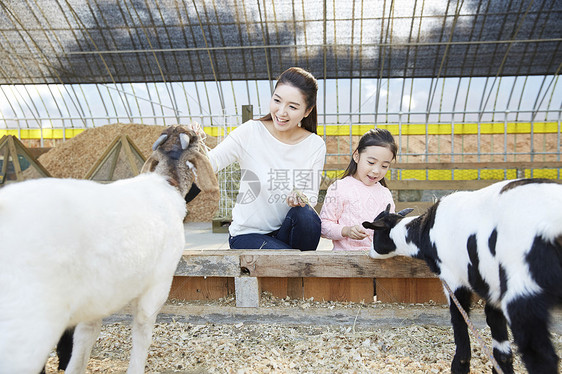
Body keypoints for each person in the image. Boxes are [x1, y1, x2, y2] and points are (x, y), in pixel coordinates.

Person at [206, 67, 326, 250]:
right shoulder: (251, 131)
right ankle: (300, 269)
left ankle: (298, 268)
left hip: (287, 230)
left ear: (307, 111)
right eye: (277, 100)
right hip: (248, 235)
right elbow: (211, 162)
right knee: (291, 261)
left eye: (292, 106)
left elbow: (310, 196)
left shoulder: (315, 145)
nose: (281, 112)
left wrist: (299, 198)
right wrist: (192, 147)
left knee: (307, 216)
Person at [319, 128, 397, 251]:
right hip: (345, 261)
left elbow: (390, 229)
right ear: (356, 156)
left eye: (384, 166)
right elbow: (323, 226)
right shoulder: (340, 188)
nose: (376, 170)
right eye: (371, 162)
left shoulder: (385, 194)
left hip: (378, 260)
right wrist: (346, 231)